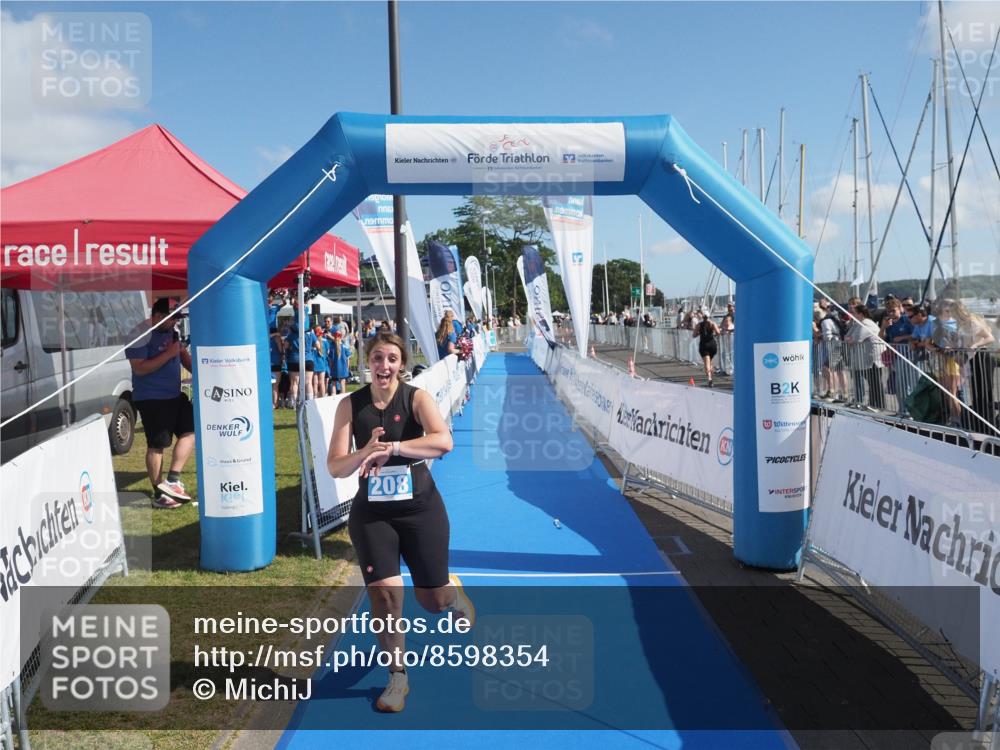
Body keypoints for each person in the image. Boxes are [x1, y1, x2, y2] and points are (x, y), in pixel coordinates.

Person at [326, 333, 473, 713]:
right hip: (372, 515)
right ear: (368, 362)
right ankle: (398, 677)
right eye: (377, 358)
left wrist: (394, 448)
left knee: (431, 600)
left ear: (401, 365)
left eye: (392, 359)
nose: (384, 366)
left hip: (420, 510)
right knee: (385, 597)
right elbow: (335, 466)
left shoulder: (416, 398)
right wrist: (366, 451)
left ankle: (452, 595)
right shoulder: (350, 406)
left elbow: (444, 442)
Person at [125, 298, 195, 509]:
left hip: (175, 394)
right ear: (157, 316)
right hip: (152, 398)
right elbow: (140, 369)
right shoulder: (138, 334)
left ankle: (172, 481)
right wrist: (170, 353)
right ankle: (159, 494)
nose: (175, 322)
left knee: (191, 430)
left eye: (177, 318)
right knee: (157, 445)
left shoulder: (171, 332)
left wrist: (200, 371)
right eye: (172, 318)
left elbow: (181, 356)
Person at [844, 304, 885, 409]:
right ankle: (872, 404)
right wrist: (849, 339)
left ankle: (879, 406)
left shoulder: (867, 324)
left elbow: (856, 339)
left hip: (874, 358)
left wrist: (850, 339)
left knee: (875, 382)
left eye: (853, 312)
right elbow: (846, 336)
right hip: (866, 358)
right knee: (872, 382)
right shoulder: (857, 324)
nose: (851, 314)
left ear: (860, 314)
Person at [692, 314, 721, 386]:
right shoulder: (712, 323)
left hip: (704, 345)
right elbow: (718, 333)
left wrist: (700, 333)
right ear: (709, 317)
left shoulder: (699, 325)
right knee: (709, 362)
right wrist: (713, 333)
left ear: (703, 317)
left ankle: (709, 379)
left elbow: (694, 335)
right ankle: (710, 373)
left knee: (707, 363)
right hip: (712, 345)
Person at [328, 330, 352, 395]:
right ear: (341, 337)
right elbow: (348, 359)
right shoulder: (345, 346)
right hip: (343, 368)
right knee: (342, 383)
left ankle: (333, 400)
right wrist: (347, 368)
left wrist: (330, 369)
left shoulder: (332, 347)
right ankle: (342, 399)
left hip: (334, 368)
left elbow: (330, 360)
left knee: (333, 384)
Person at [312, 325, 328, 399]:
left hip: (314, 363)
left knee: (315, 383)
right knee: (322, 382)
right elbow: (328, 352)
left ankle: (315, 397)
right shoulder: (325, 341)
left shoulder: (313, 340)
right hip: (322, 363)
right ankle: (323, 397)